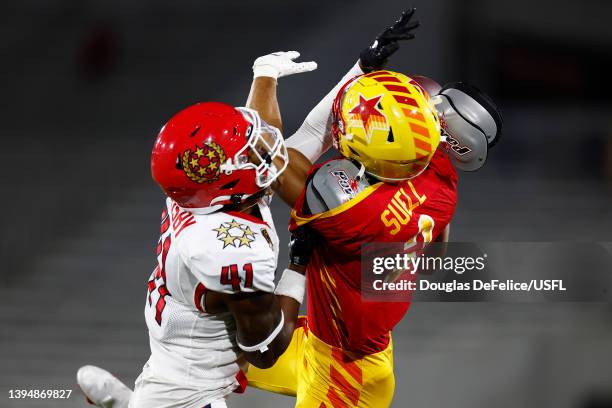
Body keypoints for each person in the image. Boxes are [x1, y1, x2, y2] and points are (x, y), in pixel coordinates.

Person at [244, 9, 503, 407]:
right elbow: (434, 259)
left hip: (343, 370)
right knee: (216, 348)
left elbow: (266, 146)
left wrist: (266, 75)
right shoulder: (442, 182)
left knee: (238, 343)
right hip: (340, 345)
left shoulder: (350, 206)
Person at [77, 89, 320, 407]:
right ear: (225, 181)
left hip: (176, 358)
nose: (259, 153)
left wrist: (356, 68)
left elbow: (280, 146)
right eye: (246, 155)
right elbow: (265, 350)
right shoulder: (227, 253)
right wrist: (298, 264)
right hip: (194, 396)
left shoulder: (198, 197)